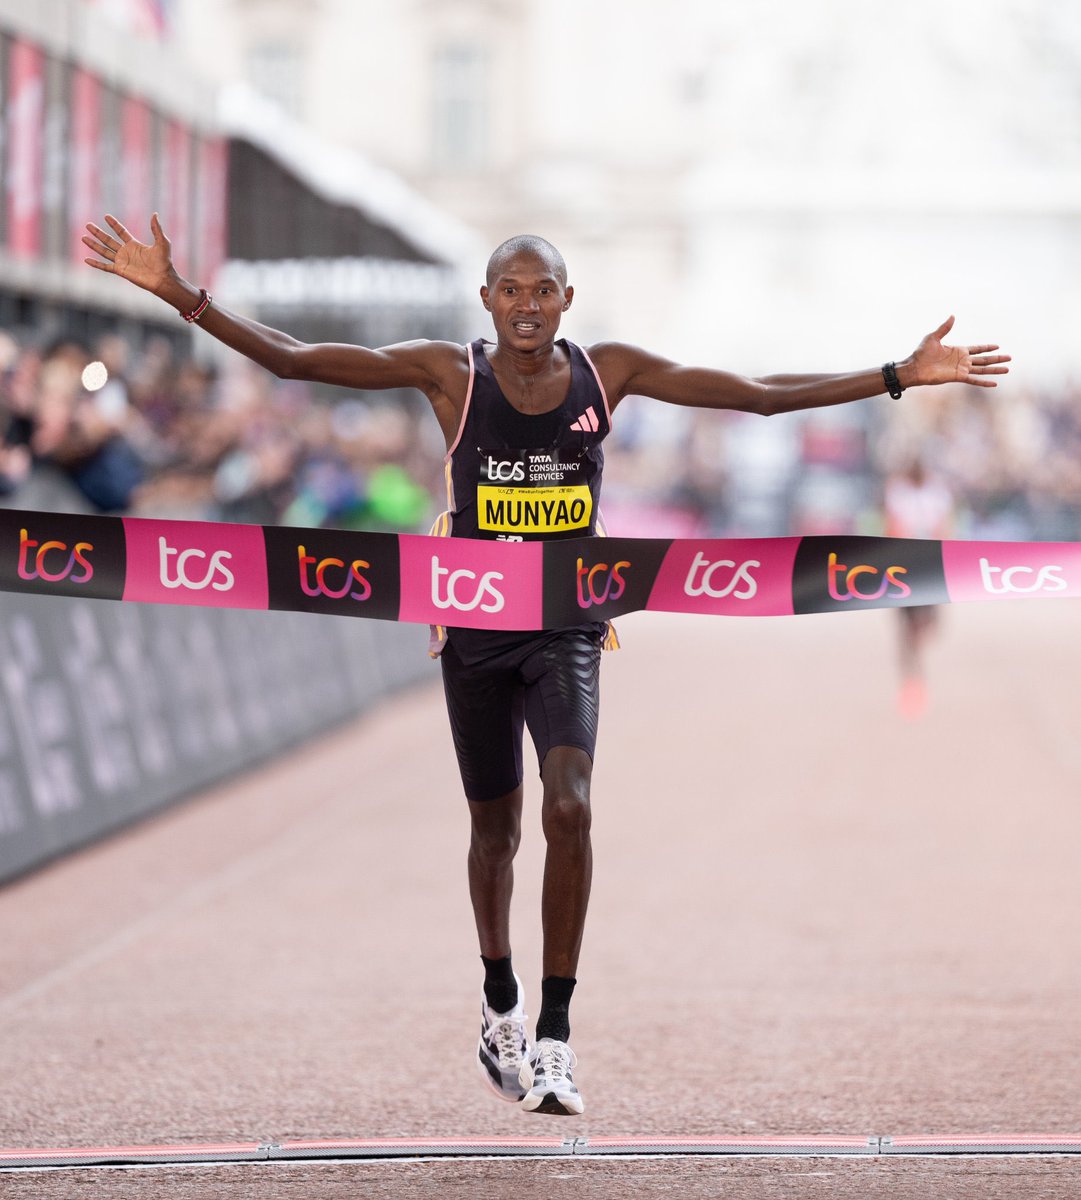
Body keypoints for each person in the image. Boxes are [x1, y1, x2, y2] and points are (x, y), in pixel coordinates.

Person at [83, 213, 1010, 1116]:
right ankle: (499, 1001)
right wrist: (180, 296)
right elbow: (293, 359)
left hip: (567, 626)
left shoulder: (610, 373)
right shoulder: (449, 372)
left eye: (543, 291)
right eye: (510, 291)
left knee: (570, 806)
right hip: (474, 633)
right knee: (497, 834)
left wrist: (896, 375)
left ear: (568, 298)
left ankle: (557, 1037)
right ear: (486, 300)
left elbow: (756, 393)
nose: (527, 306)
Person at [883, 456, 955, 719]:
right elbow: (892, 526)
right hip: (905, 565)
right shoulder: (898, 490)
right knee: (906, 629)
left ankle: (915, 659)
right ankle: (912, 683)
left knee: (928, 624)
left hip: (927, 562)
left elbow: (944, 526)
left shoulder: (936, 491)